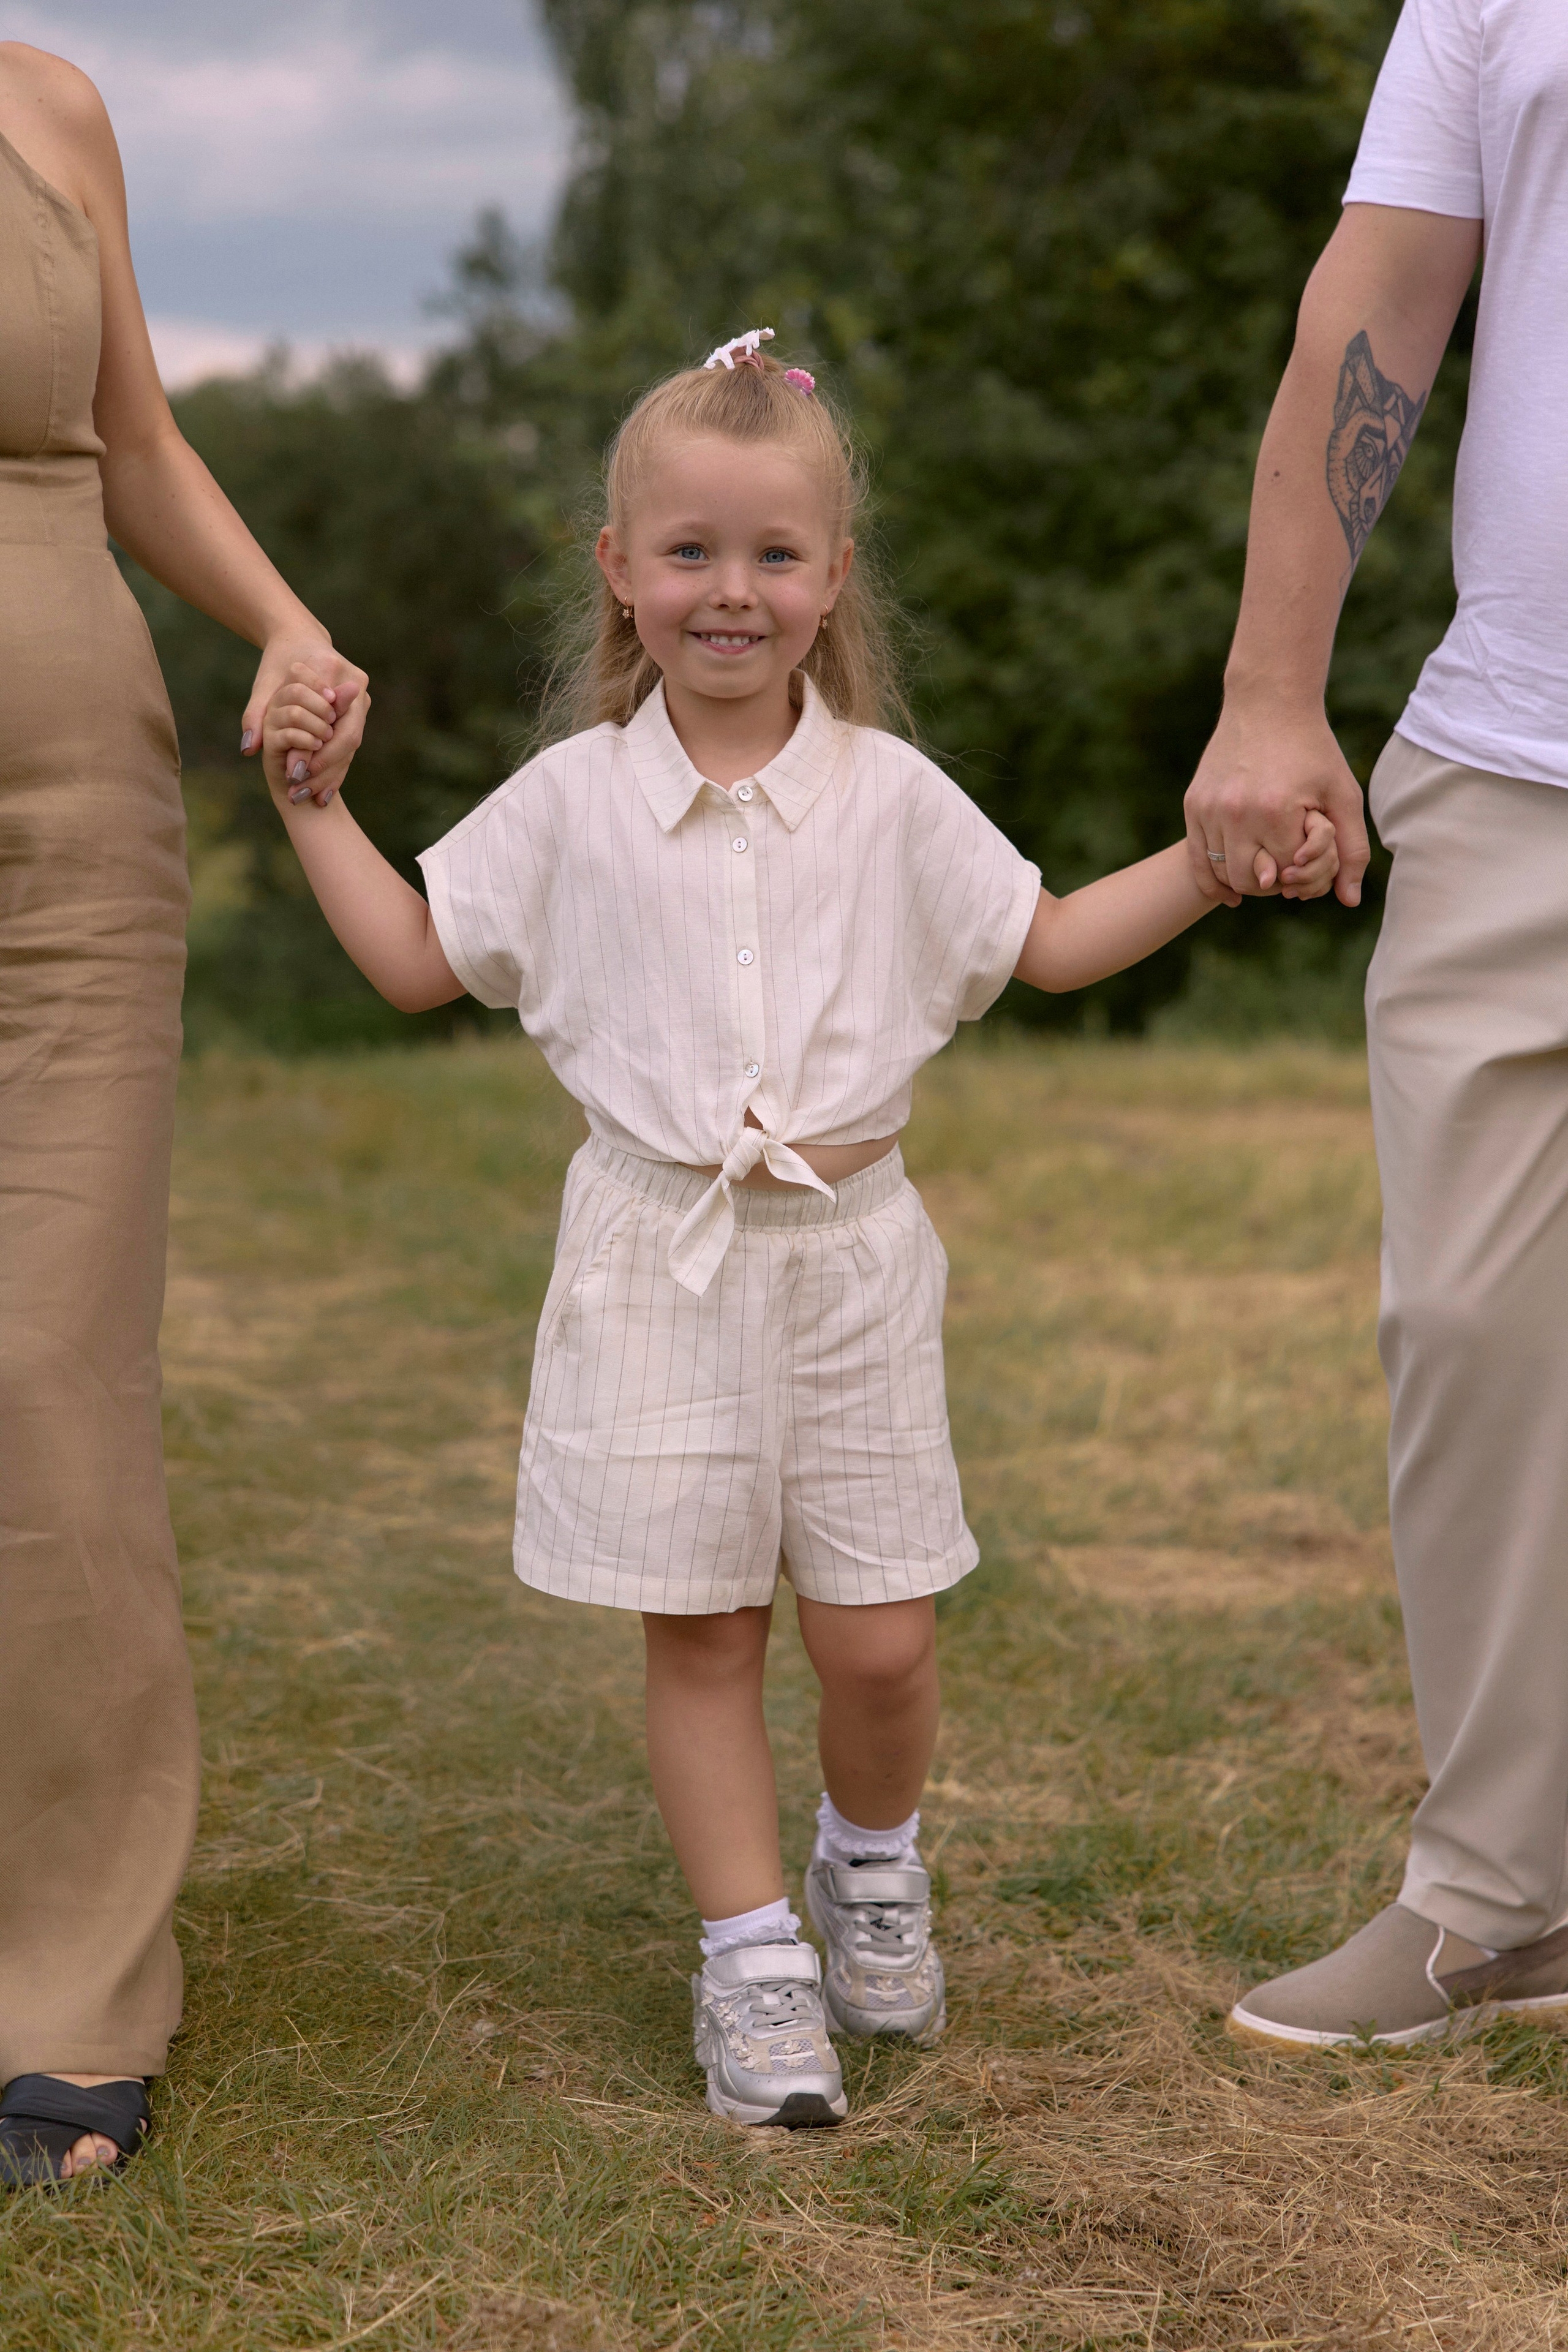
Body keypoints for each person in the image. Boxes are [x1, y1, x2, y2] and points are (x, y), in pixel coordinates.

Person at [256, 330, 1340, 2125]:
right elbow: (406, 961)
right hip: (655, 1258)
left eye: (773, 556)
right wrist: (310, 803)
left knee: (883, 1640)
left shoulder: (894, 801)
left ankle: (868, 1861)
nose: (730, 592)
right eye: (687, 552)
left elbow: (1051, 942)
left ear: (835, 578)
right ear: (617, 569)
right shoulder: (574, 806)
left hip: (850, 1261)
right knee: (704, 1633)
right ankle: (752, 1960)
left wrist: (1222, 861)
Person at [1183, 0, 1568, 2048]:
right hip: (1518, 755)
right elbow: (1385, 299)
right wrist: (1270, 687)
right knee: (1473, 1334)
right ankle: (1501, 1897)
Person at [0, 43, 367, 2187]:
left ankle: (67, 1983)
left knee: (49, 1381)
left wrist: (287, 620)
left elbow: (130, 440)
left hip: (73, 852)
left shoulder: (47, 105)